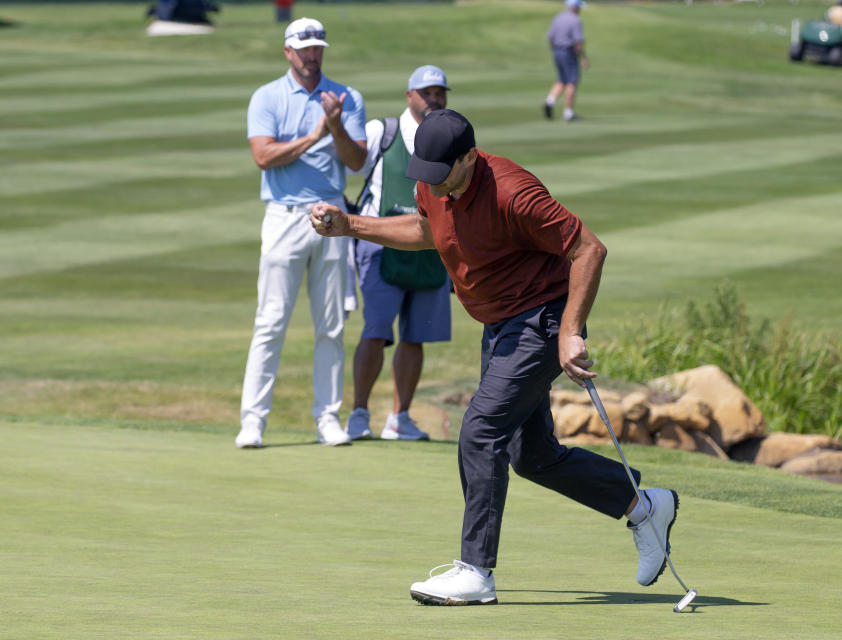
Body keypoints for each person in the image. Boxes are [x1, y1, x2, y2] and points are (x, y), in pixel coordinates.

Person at [309, 109, 680, 606]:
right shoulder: (432, 179)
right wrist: (350, 224)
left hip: (542, 322)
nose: (432, 185)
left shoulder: (513, 191)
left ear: (469, 157)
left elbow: (589, 250)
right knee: (532, 456)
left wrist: (570, 332)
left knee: (480, 431)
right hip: (501, 327)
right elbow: (425, 232)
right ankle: (643, 507)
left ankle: (476, 571)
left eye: (442, 174)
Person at [234, 17, 367, 449]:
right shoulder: (267, 97)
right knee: (270, 322)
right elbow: (264, 156)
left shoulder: (346, 97)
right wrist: (315, 133)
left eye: (318, 47)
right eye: (304, 48)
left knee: (331, 325)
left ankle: (328, 418)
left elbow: (356, 162)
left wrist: (338, 126)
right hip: (284, 215)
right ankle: (253, 421)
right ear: (288, 51)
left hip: (332, 216)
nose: (312, 55)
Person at [344, 65, 453, 442]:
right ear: (410, 95)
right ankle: (359, 412)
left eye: (440, 92)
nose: (434, 99)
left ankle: (399, 417)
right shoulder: (383, 131)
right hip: (380, 244)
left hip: (430, 249)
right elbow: (352, 163)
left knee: (415, 336)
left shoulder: (450, 137)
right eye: (427, 92)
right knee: (375, 330)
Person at [543, 0, 589, 122]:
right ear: (574, 7)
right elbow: (578, 42)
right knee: (572, 82)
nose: (580, 9)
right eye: (579, 7)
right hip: (568, 52)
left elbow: (550, 38)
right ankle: (568, 113)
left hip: (557, 51)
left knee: (561, 79)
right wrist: (583, 58)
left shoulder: (558, 17)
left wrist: (556, 50)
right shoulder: (575, 20)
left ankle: (550, 101)